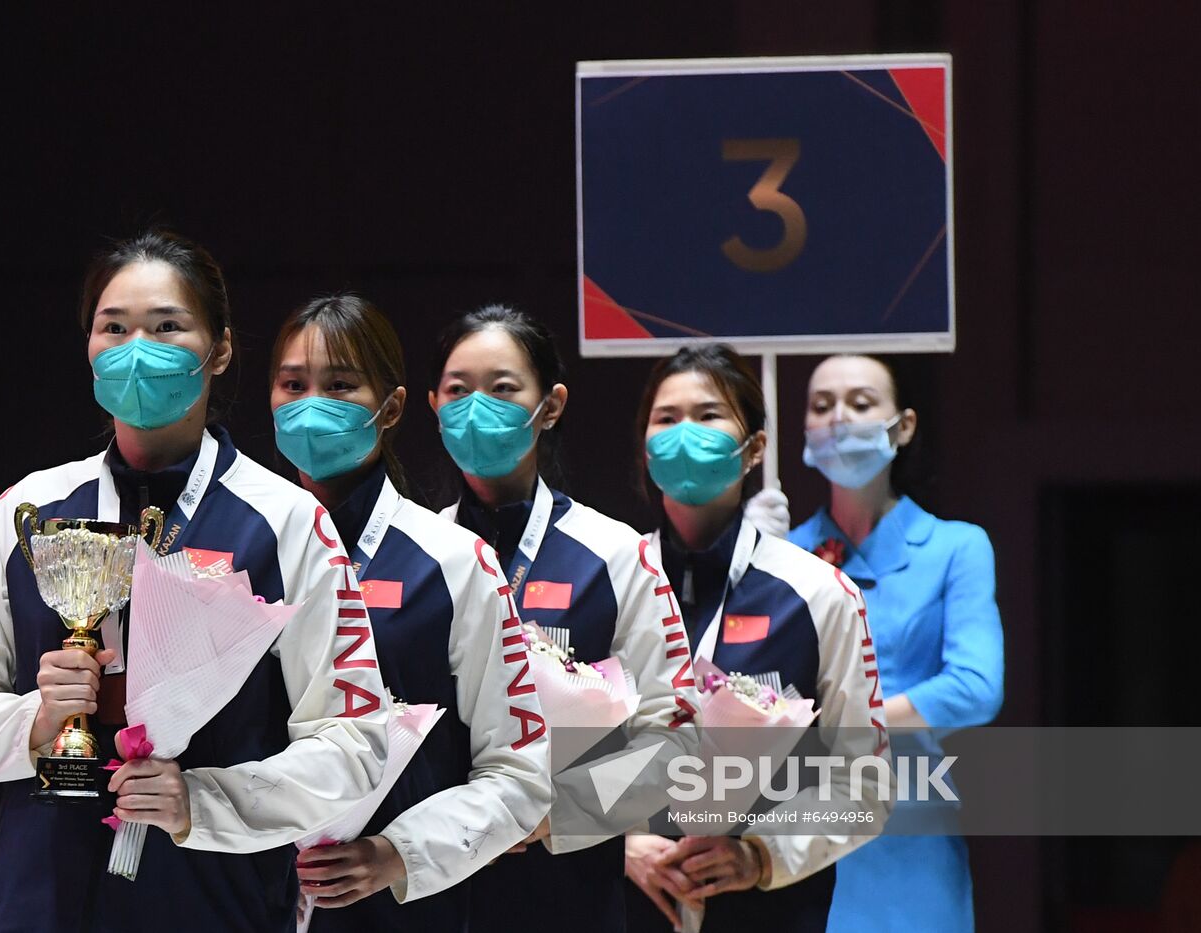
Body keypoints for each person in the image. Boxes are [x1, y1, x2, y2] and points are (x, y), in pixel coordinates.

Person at [0, 230, 390, 932]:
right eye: (115, 327)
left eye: (168, 326)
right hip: (43, 903)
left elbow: (356, 743)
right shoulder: (24, 514)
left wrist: (203, 802)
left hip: (216, 902)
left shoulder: (290, 524)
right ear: (89, 347)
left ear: (220, 349)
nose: (138, 347)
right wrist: (36, 722)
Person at [265, 295, 551, 931]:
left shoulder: (455, 563)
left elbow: (518, 776)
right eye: (293, 384)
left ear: (391, 407)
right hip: (240, 898)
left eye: (340, 385)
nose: (313, 403)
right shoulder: (243, 546)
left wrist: (398, 855)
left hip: (397, 913)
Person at [428, 304, 700, 933]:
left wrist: (551, 812)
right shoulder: (414, 550)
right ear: (433, 407)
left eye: (502, 389)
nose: (477, 407)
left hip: (564, 891)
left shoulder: (618, 555)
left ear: (549, 406)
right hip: (426, 882)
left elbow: (676, 739)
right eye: (457, 391)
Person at [624, 345, 890, 933]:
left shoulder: (820, 594)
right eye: (667, 419)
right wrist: (615, 843)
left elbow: (864, 780)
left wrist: (761, 853)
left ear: (756, 448)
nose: (686, 433)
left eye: (710, 415)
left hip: (768, 912)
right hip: (621, 906)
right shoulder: (604, 578)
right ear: (646, 447)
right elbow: (532, 760)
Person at [787, 353, 1004, 933]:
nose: (839, 419)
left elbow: (975, 687)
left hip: (911, 836)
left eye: (860, 404)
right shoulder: (778, 555)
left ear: (903, 426)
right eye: (821, 405)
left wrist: (853, 723)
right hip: (795, 836)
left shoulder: (956, 548)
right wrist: (745, 557)